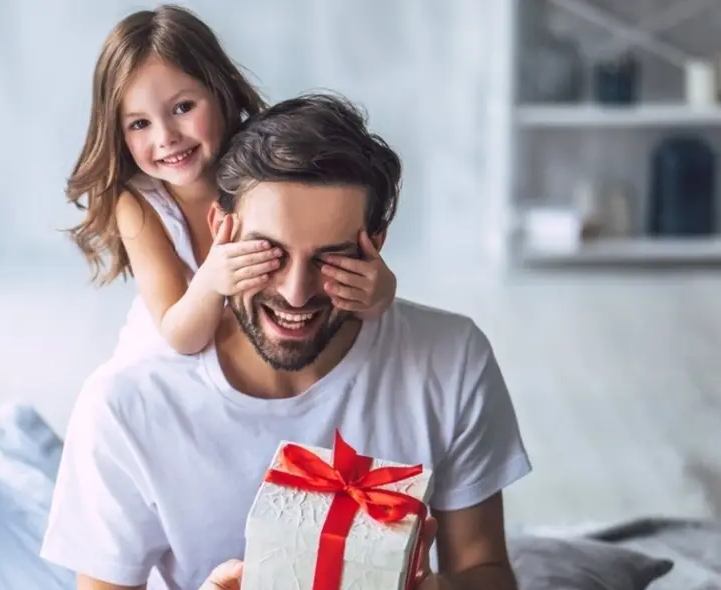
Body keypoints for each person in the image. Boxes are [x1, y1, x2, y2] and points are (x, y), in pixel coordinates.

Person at [42, 93, 532, 590]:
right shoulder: (126, 404)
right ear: (220, 230)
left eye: (331, 258)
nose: (296, 293)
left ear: (375, 246)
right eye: (268, 252)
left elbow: (486, 573)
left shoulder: (451, 360)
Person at [66, 4, 397, 366]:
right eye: (139, 124)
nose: (166, 137)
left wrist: (380, 291)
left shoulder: (262, 167)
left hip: (260, 353)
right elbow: (182, 337)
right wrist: (211, 280)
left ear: (220, 91)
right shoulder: (140, 204)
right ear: (118, 132)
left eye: (183, 108)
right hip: (180, 360)